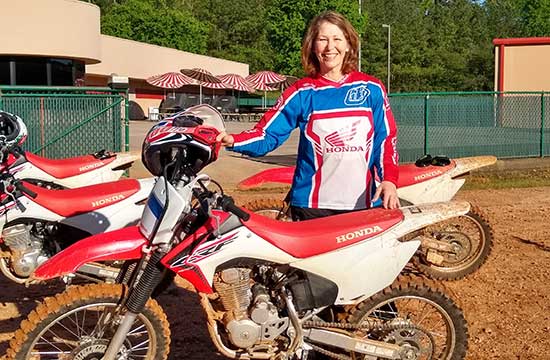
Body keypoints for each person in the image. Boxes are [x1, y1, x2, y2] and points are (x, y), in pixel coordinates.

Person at [217, 11, 399, 220]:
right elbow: (268, 135)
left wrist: (389, 180)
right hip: (311, 207)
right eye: (322, 39)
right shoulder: (302, 92)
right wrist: (233, 140)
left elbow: (385, 139)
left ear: (349, 44)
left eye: (337, 39)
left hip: (364, 204)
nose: (330, 47)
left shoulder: (371, 88)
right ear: (313, 47)